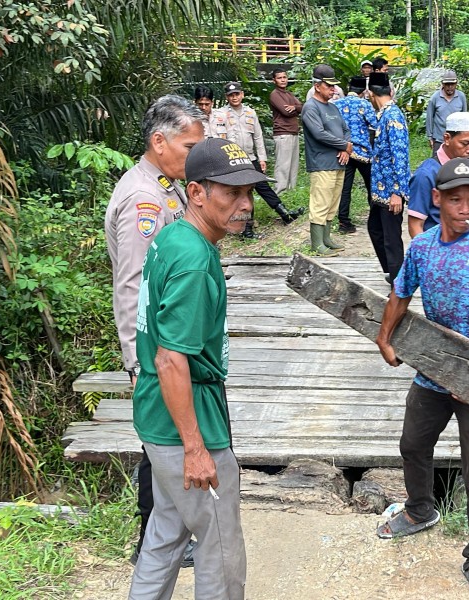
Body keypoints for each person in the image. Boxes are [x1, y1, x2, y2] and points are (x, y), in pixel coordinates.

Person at [375, 158, 469, 597]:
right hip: (432, 372)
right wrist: (385, 338)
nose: (465, 209)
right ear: (437, 200)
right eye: (455, 200)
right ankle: (421, 509)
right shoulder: (422, 248)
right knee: (413, 444)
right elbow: (401, 293)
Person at [127, 137, 262, 600]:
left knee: (165, 534)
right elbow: (170, 358)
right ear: (198, 192)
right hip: (186, 421)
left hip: (155, 415)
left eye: (249, 193)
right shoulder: (194, 263)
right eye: (231, 193)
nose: (244, 204)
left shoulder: (173, 235)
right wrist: (195, 448)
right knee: (221, 545)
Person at [105, 95, 204, 568]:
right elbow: (131, 284)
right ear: (158, 141)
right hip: (156, 350)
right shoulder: (144, 198)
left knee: (166, 436)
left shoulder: (167, 185)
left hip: (171, 343)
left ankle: (167, 535)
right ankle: (152, 542)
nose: (195, 154)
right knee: (159, 442)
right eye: (189, 146)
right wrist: (135, 360)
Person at [208, 81, 304, 238]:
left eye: (237, 94)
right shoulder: (221, 114)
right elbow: (219, 137)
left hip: (250, 157)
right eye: (231, 95)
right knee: (242, 192)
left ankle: (284, 213)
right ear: (227, 97)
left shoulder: (250, 113)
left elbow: (258, 137)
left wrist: (262, 158)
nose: (234, 97)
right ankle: (246, 228)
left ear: (242, 95)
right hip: (233, 158)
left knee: (263, 186)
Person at [301, 64, 352, 256]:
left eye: (334, 86)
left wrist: (346, 148)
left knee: (333, 203)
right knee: (320, 203)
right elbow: (319, 134)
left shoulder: (333, 107)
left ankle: (327, 238)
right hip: (322, 163)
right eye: (329, 86)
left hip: (339, 162)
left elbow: (345, 129)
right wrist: (343, 145)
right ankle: (317, 244)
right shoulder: (310, 108)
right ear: (317, 86)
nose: (333, 90)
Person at [408, 111, 469, 237]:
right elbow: (415, 225)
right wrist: (428, 254)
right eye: (464, 144)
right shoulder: (425, 175)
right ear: (447, 138)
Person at [368, 72, 410, 284]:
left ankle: (399, 281)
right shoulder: (383, 115)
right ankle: (393, 272)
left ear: (370, 94)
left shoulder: (392, 117)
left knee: (391, 238)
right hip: (379, 188)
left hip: (390, 191)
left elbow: (400, 156)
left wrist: (397, 192)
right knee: (375, 228)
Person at [332, 76, 376, 235]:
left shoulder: (336, 104)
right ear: (363, 90)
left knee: (345, 188)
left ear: (349, 87)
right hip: (363, 152)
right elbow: (375, 124)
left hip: (343, 151)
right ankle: (375, 217)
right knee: (372, 185)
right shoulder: (365, 104)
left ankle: (344, 222)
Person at [267, 68, 304, 194]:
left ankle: (291, 192)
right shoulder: (274, 94)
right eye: (279, 78)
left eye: (284, 77)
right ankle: (279, 193)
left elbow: (303, 107)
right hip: (282, 133)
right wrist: (296, 109)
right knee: (283, 166)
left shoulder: (289, 94)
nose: (283, 80)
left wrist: (295, 107)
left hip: (293, 132)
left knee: (293, 166)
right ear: (274, 80)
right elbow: (285, 112)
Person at [425, 70, 467, 153]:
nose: (450, 87)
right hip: (439, 138)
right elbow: (429, 118)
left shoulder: (461, 97)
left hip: (456, 138)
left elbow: (464, 117)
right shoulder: (435, 98)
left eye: (452, 84)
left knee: (456, 163)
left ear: (456, 84)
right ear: (443, 84)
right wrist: (430, 137)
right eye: (447, 84)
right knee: (438, 163)